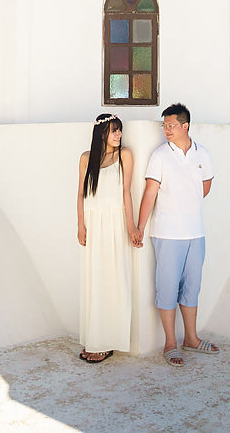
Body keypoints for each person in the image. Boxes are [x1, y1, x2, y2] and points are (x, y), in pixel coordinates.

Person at [136, 102, 218, 368]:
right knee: (167, 288)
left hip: (196, 233)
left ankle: (191, 338)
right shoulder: (160, 155)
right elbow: (150, 192)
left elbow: (204, 187)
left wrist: (186, 205)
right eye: (164, 126)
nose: (166, 130)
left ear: (185, 126)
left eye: (171, 125)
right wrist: (139, 226)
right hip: (167, 233)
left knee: (192, 287)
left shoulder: (202, 154)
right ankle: (170, 343)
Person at [76, 113, 141, 363]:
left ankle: (108, 341)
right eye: (114, 131)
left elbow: (126, 191)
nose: (118, 135)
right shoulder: (86, 158)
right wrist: (81, 224)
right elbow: (81, 193)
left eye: (119, 130)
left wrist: (131, 226)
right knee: (94, 279)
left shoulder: (124, 155)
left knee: (114, 279)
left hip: (114, 223)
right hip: (93, 222)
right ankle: (95, 338)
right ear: (102, 132)